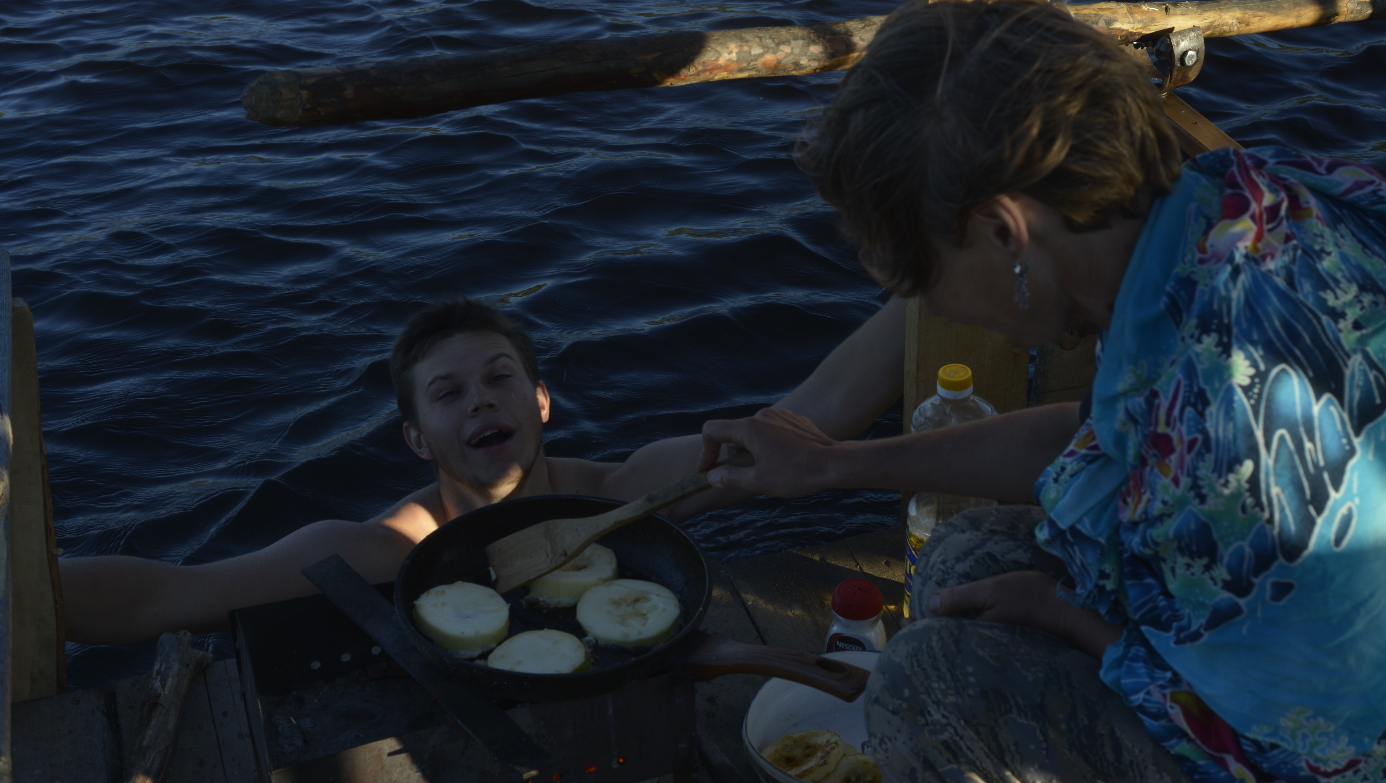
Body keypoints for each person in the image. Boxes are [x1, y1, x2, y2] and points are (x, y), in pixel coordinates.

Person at [700, 0, 1386, 783]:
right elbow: (1101, 440)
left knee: (920, 690)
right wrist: (834, 462)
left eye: (920, 276)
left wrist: (1069, 620)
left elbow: (1290, 748)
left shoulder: (1221, 405)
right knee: (963, 562)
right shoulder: (1226, 212)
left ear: (1005, 232)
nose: (932, 301)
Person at [62, 295, 905, 646]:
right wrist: (26, 588)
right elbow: (170, 593)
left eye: (500, 378)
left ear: (541, 403)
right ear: (417, 439)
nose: (479, 402)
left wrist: (930, 283)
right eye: (449, 393)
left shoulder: (617, 493)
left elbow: (813, 414)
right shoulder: (389, 547)